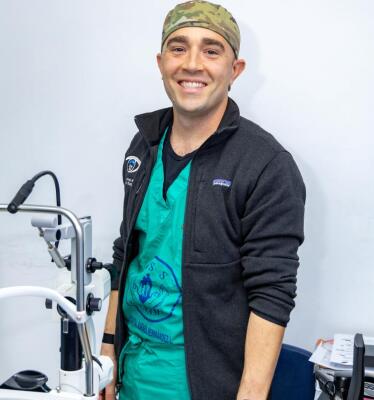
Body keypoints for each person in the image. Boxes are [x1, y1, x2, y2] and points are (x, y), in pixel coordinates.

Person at [100, 1, 306, 399]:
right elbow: (125, 254)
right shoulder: (144, 146)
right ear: (161, 63)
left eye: (211, 51)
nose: (192, 64)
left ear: (235, 70)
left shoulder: (265, 165)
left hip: (206, 387)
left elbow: (272, 293)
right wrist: (107, 351)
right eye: (178, 48)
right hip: (132, 373)